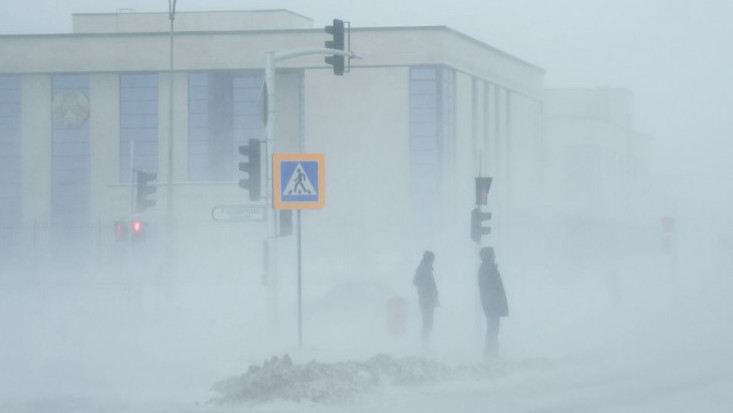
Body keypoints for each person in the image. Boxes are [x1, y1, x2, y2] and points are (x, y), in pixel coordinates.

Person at [477, 246, 508, 360]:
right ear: (488, 256)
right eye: (493, 254)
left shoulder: (487, 268)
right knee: (493, 329)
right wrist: (495, 302)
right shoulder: (487, 269)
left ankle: (492, 353)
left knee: (493, 329)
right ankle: (491, 354)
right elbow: (490, 289)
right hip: (492, 305)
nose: (494, 256)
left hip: (492, 304)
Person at [413, 250, 439, 347]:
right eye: (433, 260)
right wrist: (426, 295)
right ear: (429, 259)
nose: (433, 262)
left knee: (428, 324)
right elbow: (416, 282)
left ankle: (425, 345)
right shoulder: (423, 269)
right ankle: (425, 346)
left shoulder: (425, 268)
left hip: (427, 301)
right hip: (426, 301)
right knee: (427, 324)